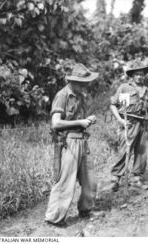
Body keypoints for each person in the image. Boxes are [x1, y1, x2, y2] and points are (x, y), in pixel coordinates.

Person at [44, 63, 99, 227]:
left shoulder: (80, 96)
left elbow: (79, 120)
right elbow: (56, 123)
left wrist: (87, 120)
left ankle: (86, 209)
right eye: (83, 83)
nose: (85, 86)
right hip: (68, 142)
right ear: (74, 81)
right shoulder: (62, 96)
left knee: (90, 179)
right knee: (66, 182)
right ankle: (54, 218)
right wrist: (80, 122)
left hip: (82, 140)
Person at [109, 60, 148, 192]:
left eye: (142, 74)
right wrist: (120, 120)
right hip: (129, 123)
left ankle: (136, 178)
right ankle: (116, 178)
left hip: (144, 124)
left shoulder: (147, 91)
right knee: (125, 150)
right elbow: (113, 105)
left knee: (142, 152)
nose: (139, 77)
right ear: (132, 76)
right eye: (137, 74)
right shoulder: (125, 88)